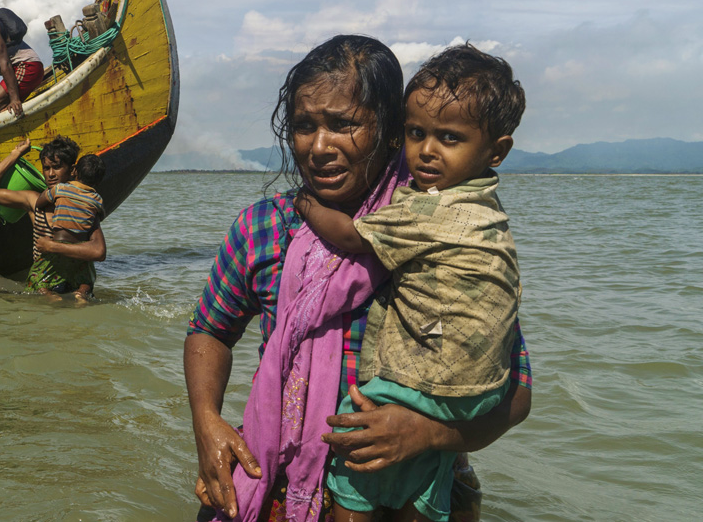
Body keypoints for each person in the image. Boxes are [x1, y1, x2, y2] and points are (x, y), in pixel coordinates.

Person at [184, 35, 532, 522]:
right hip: (277, 477)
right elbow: (210, 330)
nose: (320, 146)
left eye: (343, 125)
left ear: (389, 129)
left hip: (411, 488)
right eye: (304, 126)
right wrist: (207, 423)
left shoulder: (441, 231)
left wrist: (428, 434)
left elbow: (513, 393)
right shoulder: (262, 228)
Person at [297, 44, 526, 522]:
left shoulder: (426, 209)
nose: (426, 150)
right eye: (416, 133)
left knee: (358, 440)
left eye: (449, 138)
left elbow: (349, 234)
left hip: (424, 390)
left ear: (496, 150)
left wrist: (306, 207)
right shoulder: (489, 216)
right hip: (474, 393)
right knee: (425, 484)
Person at [0, 136, 107, 297]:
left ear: (72, 169)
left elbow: (99, 252)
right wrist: (15, 154)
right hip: (47, 282)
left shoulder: (83, 206)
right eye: (46, 168)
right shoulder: (34, 201)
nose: (51, 174)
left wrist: (53, 247)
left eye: (57, 167)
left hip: (75, 284)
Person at [36, 153, 106, 298]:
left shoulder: (60, 189)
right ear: (99, 181)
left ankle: (48, 295)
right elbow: (100, 215)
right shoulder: (97, 199)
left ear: (74, 171)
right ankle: (82, 293)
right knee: (86, 280)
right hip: (80, 249)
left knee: (36, 280)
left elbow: (39, 202)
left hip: (58, 245)